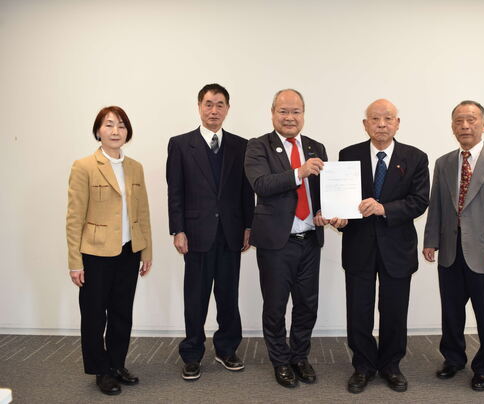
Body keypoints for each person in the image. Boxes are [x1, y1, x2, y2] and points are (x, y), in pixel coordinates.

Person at [423, 100, 484, 391]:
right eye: (459, 121)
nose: (465, 126)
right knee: (451, 312)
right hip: (450, 252)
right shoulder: (444, 163)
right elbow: (437, 205)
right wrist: (431, 240)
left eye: (471, 120)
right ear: (452, 127)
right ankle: (453, 359)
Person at [244, 89, 341, 388]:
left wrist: (327, 211)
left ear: (303, 114)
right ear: (273, 113)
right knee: (275, 307)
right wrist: (299, 172)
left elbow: (324, 191)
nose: (289, 117)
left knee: (307, 306)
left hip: (310, 239)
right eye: (283, 111)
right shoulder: (258, 146)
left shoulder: (316, 147)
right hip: (277, 243)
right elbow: (261, 183)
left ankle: (300, 357)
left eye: (295, 111)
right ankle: (280, 361)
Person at [335, 99, 429, 394]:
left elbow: (419, 201)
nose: (381, 124)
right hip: (358, 246)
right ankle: (363, 366)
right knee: (358, 310)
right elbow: (342, 199)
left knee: (394, 311)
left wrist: (383, 208)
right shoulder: (348, 155)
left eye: (388, 118)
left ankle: (391, 365)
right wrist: (339, 218)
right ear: (365, 124)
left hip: (397, 249)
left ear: (397, 123)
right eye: (375, 119)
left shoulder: (415, 157)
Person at [166, 83, 254, 381]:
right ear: (199, 106)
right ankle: (192, 354)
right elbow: (175, 192)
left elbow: (246, 192)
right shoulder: (181, 144)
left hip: (230, 233)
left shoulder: (241, 145)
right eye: (208, 104)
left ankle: (226, 349)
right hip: (195, 234)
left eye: (219, 104)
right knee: (196, 297)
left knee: (228, 296)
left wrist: (248, 226)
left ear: (227, 109)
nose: (213, 110)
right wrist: (178, 230)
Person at [66, 106, 152, 395]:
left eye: (121, 126)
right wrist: (75, 261)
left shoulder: (135, 167)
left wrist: (146, 251)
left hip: (129, 251)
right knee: (94, 315)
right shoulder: (84, 166)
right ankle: (100, 370)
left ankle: (116, 365)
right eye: (109, 125)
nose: (116, 131)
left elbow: (143, 213)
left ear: (128, 132)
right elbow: (74, 217)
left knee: (121, 312)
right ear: (98, 131)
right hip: (95, 253)